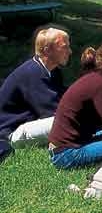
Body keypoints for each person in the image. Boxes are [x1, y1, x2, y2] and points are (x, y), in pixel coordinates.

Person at [0, 27, 71, 162]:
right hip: (11, 132)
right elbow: (53, 111)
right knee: (69, 120)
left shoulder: (52, 71)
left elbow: (64, 98)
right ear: (47, 50)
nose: (70, 51)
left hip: (28, 122)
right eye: (64, 47)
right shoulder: (33, 73)